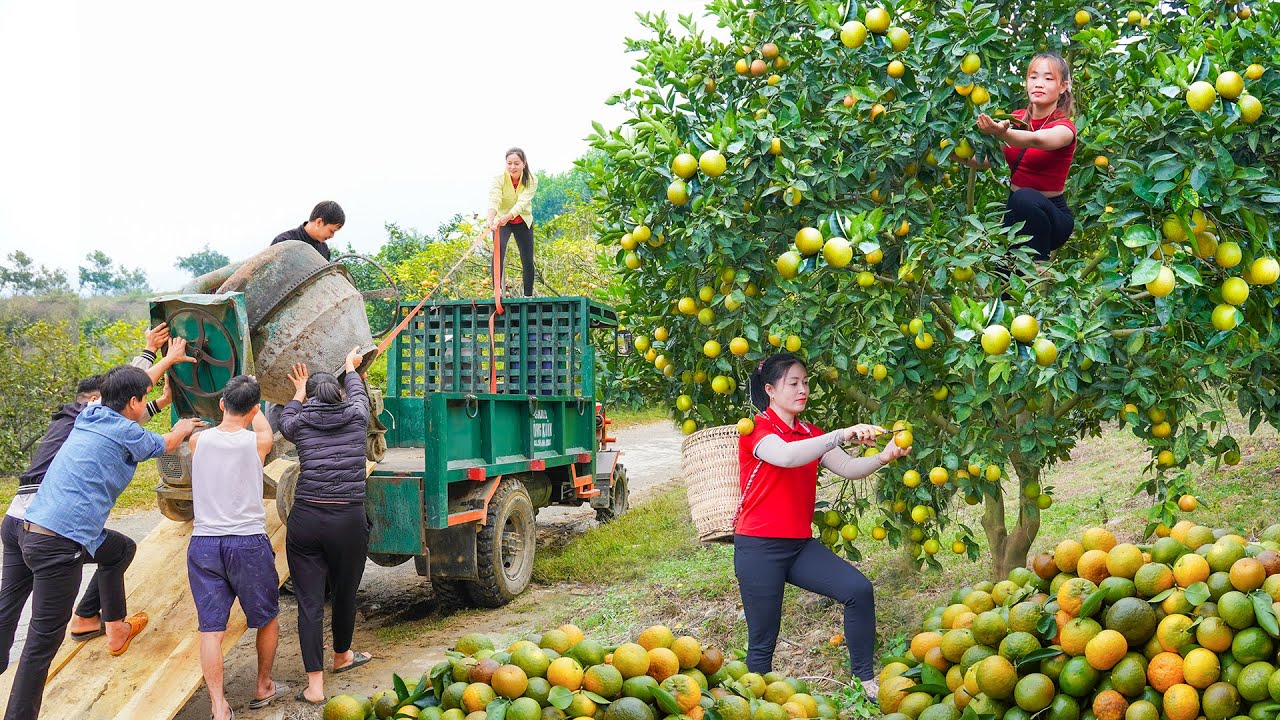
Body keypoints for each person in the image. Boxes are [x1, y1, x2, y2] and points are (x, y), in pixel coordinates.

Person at [5, 359, 200, 720]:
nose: (146, 405)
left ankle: (107, 626)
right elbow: (169, 442)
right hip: (58, 544)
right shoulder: (128, 432)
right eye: (144, 400)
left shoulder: (90, 414)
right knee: (41, 644)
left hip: (34, 530)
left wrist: (162, 372)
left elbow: (130, 401)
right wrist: (186, 425)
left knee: (120, 549)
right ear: (131, 403)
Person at [734, 353, 911, 700]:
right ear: (770, 390)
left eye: (805, 382)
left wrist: (883, 456)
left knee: (858, 591)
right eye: (793, 384)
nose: (803, 390)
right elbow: (786, 456)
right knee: (763, 640)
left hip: (798, 546)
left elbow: (847, 468)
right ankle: (753, 702)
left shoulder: (809, 433)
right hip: (758, 546)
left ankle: (865, 678)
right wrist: (842, 433)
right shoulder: (757, 429)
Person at [278, 346, 371, 704]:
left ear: (311, 396)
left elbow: (288, 418)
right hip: (346, 520)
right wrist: (350, 367)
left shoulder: (298, 423)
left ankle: (314, 686)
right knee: (345, 592)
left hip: (306, 519)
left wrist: (298, 392)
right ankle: (342, 655)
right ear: (342, 393)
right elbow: (359, 392)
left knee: (309, 603)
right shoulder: (357, 415)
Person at [187, 375, 284, 719]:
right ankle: (263, 685)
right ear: (256, 409)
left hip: (204, 544)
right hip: (247, 543)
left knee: (211, 629)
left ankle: (218, 705)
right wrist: (256, 403)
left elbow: (230, 420)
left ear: (221, 405)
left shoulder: (198, 441)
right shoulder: (256, 442)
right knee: (267, 617)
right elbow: (264, 431)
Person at [975, 51, 1078, 262]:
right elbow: (989, 159)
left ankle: (1038, 264)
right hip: (1015, 212)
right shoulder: (1016, 118)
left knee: (1025, 197)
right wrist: (946, 153)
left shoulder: (1065, 128)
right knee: (1004, 276)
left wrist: (1001, 132)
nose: (1039, 83)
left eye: (1048, 79)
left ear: (1063, 86)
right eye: (1033, 77)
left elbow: (1036, 140)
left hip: (1051, 217)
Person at [487, 148, 539, 296]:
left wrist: (509, 216)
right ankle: (497, 291)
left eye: (516, 163)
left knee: (527, 258)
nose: (512, 167)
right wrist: (490, 219)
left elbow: (523, 202)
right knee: (498, 254)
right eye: (509, 163)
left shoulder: (531, 179)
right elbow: (494, 199)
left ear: (524, 164)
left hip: (522, 220)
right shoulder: (498, 179)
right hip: (502, 221)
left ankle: (528, 295)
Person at [271, 200, 345, 261]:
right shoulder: (283, 242)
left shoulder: (324, 250)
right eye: (332, 231)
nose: (332, 236)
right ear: (319, 222)